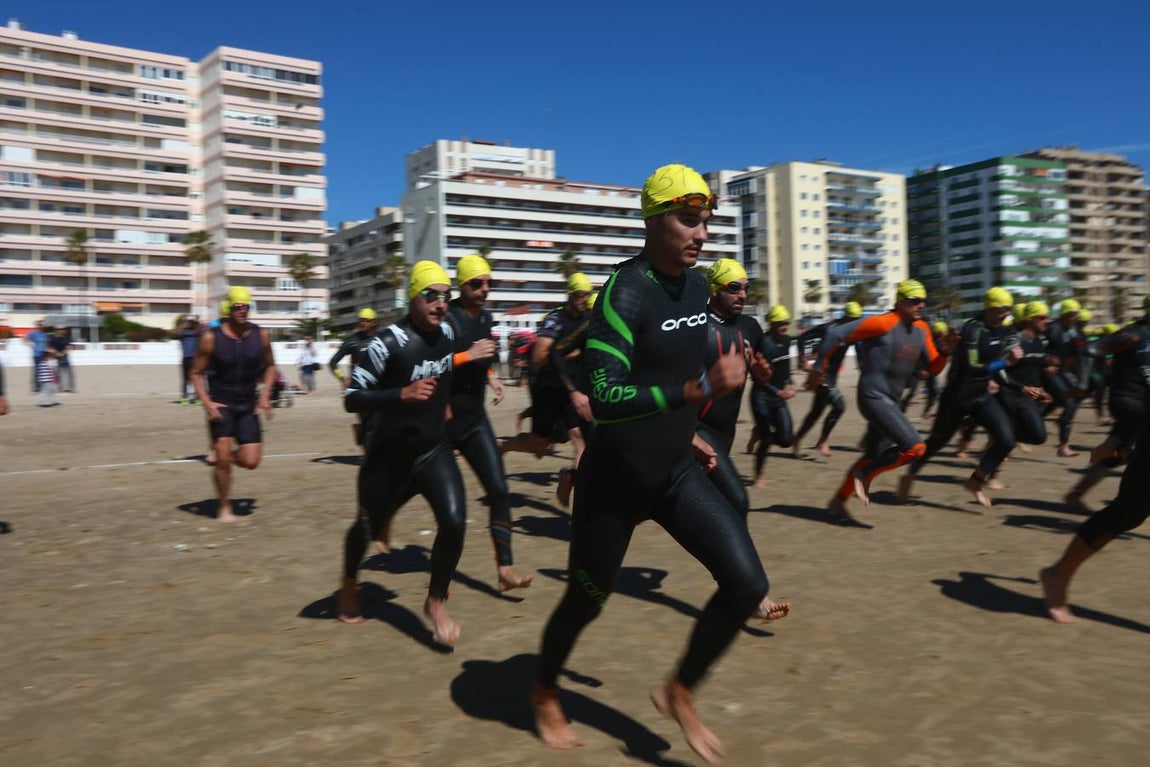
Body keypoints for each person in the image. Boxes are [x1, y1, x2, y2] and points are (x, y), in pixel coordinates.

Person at [532, 164, 770, 764]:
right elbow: (606, 396)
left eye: (706, 221)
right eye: (689, 220)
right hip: (615, 483)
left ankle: (679, 689)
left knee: (746, 584)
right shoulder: (624, 292)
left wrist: (687, 426)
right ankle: (542, 689)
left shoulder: (697, 287)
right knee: (587, 600)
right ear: (654, 221)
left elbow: (670, 369)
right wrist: (692, 396)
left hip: (673, 471)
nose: (702, 234)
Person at [337, 261, 467, 645]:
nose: (440, 304)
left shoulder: (446, 334)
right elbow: (351, 398)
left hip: (432, 450)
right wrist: (402, 395)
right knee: (365, 528)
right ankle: (348, 585)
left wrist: (442, 407)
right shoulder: (386, 343)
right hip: (388, 457)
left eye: (445, 296)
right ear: (413, 296)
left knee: (456, 522)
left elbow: (445, 375)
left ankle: (436, 601)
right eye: (431, 295)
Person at [808, 279, 956, 527]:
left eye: (923, 301)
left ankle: (839, 499)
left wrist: (945, 353)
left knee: (874, 454)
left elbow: (933, 368)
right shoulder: (882, 322)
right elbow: (835, 334)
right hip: (872, 396)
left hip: (892, 402)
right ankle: (863, 476)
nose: (920, 305)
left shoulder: (922, 330)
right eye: (914, 300)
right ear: (899, 301)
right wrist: (819, 369)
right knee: (915, 448)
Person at [695, 258, 790, 623]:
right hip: (695, 431)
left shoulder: (750, 327)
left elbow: (762, 368)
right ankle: (752, 591)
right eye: (734, 287)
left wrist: (765, 376)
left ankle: (582, 475)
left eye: (746, 287)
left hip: (724, 433)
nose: (742, 294)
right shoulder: (696, 326)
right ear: (714, 290)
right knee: (736, 500)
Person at [1040, 323, 1150, 623]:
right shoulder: (1134, 337)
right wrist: (1119, 434)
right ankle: (1057, 576)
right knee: (1127, 514)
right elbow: (1090, 350)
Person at [444, 253, 532, 591]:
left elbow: (481, 356)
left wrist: (492, 376)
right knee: (409, 487)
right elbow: (429, 363)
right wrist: (469, 357)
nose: (484, 289)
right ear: (461, 285)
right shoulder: (446, 318)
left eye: (488, 283)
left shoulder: (487, 317)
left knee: (499, 490)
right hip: (443, 422)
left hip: (475, 419)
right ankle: (382, 520)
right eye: (476, 283)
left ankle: (505, 570)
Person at [895, 287, 1023, 508]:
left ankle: (975, 481)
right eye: (1003, 310)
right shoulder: (974, 329)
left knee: (1007, 440)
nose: (1006, 314)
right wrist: (1007, 362)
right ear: (991, 308)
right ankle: (909, 475)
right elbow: (973, 368)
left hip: (981, 396)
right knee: (936, 442)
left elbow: (993, 363)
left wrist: (999, 375)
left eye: (1009, 310)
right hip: (957, 397)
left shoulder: (1000, 331)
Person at [500, 273, 594, 505]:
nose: (583, 299)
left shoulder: (586, 319)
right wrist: (568, 354)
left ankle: (575, 486)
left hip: (569, 389)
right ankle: (504, 446)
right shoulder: (555, 318)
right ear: (570, 295)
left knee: (580, 440)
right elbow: (539, 355)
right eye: (580, 295)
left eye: (587, 295)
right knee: (539, 443)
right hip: (546, 387)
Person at [189, 287, 276, 524]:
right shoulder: (211, 337)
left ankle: (223, 458)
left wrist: (265, 394)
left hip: (248, 405)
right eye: (237, 306)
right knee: (224, 456)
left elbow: (270, 366)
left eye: (246, 306)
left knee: (251, 461)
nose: (242, 310)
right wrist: (205, 401)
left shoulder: (262, 335)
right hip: (221, 404)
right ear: (228, 308)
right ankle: (224, 507)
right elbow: (196, 372)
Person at [1063, 298, 1150, 510]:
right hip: (1129, 402)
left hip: (1141, 407)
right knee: (1132, 453)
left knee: (1114, 457)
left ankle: (1076, 494)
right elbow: (1089, 350)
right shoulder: (1134, 334)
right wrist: (1082, 385)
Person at [792, 301, 862, 458]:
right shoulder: (829, 328)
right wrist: (803, 360)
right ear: (845, 317)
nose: (855, 323)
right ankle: (823, 441)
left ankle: (797, 439)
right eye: (852, 319)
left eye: (857, 320)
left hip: (833, 377)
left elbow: (860, 350)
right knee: (839, 406)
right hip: (821, 375)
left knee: (816, 412)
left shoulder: (853, 333)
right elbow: (802, 338)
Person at [748, 305, 796, 488]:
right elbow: (756, 377)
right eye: (780, 323)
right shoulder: (764, 343)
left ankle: (758, 433)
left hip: (778, 397)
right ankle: (758, 474)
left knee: (786, 440)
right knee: (768, 438)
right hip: (762, 396)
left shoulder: (786, 341)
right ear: (772, 323)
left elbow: (786, 367)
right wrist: (777, 391)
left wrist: (791, 383)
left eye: (786, 323)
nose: (784, 327)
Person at [329, 307, 379, 446]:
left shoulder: (381, 339)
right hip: (359, 388)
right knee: (367, 422)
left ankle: (369, 445)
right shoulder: (352, 341)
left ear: (374, 322)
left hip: (378, 387)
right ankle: (368, 451)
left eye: (367, 320)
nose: (363, 323)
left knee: (377, 421)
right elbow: (333, 363)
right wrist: (343, 378)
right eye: (361, 320)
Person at [1044, 298, 1088, 457]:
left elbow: (1080, 351)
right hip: (1047, 372)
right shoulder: (1051, 328)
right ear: (1064, 314)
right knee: (1068, 402)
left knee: (1075, 397)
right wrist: (1045, 362)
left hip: (1063, 370)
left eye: (1077, 314)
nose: (1075, 318)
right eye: (1072, 314)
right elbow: (1036, 348)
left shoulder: (1075, 330)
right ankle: (1063, 446)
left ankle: (1056, 423)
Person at [178, 316, 201, 404]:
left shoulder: (196, 333)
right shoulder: (184, 333)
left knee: (194, 378)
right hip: (187, 358)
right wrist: (185, 322)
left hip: (194, 358)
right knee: (186, 379)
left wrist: (195, 321)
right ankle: (185, 398)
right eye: (189, 322)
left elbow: (201, 329)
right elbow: (178, 332)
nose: (190, 324)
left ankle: (196, 397)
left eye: (191, 322)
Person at [48, 326, 75, 393]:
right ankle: (60, 388)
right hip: (56, 358)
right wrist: (56, 353)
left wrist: (63, 353)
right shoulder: (53, 338)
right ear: (56, 330)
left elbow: (70, 346)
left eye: (63, 329)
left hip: (65, 357)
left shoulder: (67, 338)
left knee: (70, 373)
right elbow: (50, 347)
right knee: (58, 374)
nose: (61, 330)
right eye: (59, 329)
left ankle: (71, 388)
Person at [25, 320, 48, 393]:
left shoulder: (44, 334)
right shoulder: (34, 333)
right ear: (38, 326)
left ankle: (42, 386)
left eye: (43, 325)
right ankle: (36, 387)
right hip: (36, 355)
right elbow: (25, 338)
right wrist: (30, 345)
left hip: (43, 354)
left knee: (43, 371)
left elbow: (46, 344)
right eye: (41, 325)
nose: (42, 326)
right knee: (37, 371)